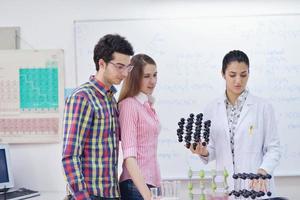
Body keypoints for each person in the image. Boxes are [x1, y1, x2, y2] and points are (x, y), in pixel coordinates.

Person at [190, 50, 281, 196]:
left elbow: (274, 148)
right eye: (232, 75)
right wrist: (204, 151)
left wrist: (263, 170)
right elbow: (213, 149)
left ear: (248, 74)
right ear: (223, 74)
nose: (238, 80)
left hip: (256, 185)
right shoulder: (212, 108)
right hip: (225, 187)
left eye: (243, 75)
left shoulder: (263, 107)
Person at [62, 34, 134, 200]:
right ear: (102, 63)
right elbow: (70, 156)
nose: (124, 74)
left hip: (111, 193)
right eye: (119, 66)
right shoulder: (82, 98)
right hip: (91, 195)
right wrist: (82, 197)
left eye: (127, 68)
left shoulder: (110, 99)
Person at [118, 54, 161, 200]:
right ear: (135, 77)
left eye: (155, 75)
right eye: (147, 76)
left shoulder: (147, 105)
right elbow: (129, 157)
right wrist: (147, 195)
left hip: (150, 184)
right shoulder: (129, 105)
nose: (152, 81)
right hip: (136, 187)